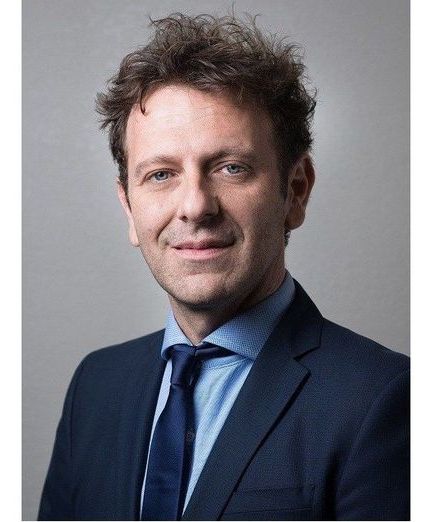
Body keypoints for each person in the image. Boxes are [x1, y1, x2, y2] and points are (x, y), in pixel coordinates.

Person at [38, 13, 409, 521]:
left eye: (231, 168)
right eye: (161, 174)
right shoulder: (96, 386)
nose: (195, 206)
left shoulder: (383, 398)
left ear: (295, 191)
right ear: (129, 208)